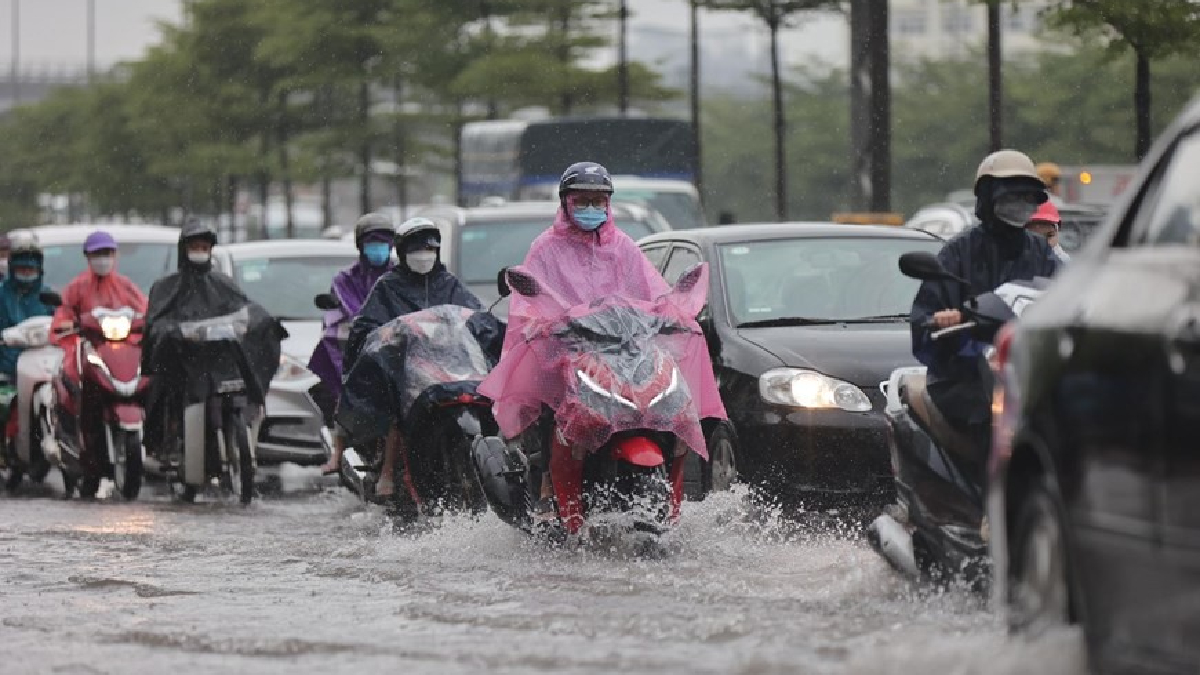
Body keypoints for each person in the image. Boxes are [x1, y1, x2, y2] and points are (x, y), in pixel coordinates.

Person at [478, 161, 726, 518]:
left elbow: (652, 293)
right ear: (566, 202)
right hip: (569, 350)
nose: (592, 208)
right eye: (583, 200)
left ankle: (673, 493)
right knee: (557, 402)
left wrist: (672, 315)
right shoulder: (545, 248)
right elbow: (530, 302)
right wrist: (545, 324)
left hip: (624, 349)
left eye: (599, 200)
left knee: (668, 403)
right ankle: (549, 479)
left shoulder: (623, 246)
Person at [910, 149, 1060, 456]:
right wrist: (944, 320)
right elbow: (924, 321)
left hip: (1027, 370)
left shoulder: (1041, 252)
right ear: (987, 196)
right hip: (966, 375)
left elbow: (1064, 297)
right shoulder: (956, 253)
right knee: (984, 420)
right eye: (1010, 194)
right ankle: (985, 496)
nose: (1019, 203)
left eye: (1026, 196)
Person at [341, 216, 482, 499]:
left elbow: (475, 315)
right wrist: (386, 337)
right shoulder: (388, 286)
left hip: (451, 365)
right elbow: (367, 327)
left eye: (430, 247)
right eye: (417, 247)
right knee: (397, 411)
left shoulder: (449, 283)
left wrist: (483, 325)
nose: (424, 254)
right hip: (407, 367)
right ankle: (387, 474)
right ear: (403, 251)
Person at [142, 219, 284, 461]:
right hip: (184, 366)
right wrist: (176, 333)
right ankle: (172, 443)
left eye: (204, 247)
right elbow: (156, 325)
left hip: (221, 364)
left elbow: (245, 309)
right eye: (194, 247)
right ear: (184, 250)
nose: (199, 252)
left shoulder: (223, 284)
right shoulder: (167, 287)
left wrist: (259, 322)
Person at [311, 213, 396, 475]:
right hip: (361, 344)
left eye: (384, 242)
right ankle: (338, 452)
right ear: (360, 245)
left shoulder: (401, 273)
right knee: (344, 389)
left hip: (398, 343)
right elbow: (355, 311)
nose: (378, 248)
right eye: (373, 242)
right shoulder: (346, 278)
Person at [51, 231, 148, 407]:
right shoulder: (76, 287)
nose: (102, 259)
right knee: (71, 378)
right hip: (90, 349)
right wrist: (69, 325)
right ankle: (75, 421)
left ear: (114, 255)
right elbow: (63, 316)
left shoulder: (125, 286)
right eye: (97, 254)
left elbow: (144, 309)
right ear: (88, 257)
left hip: (123, 350)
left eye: (106, 254)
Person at [0, 234, 54, 442]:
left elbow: (61, 322)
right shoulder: (2, 295)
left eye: (31, 267)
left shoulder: (48, 295)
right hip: (7, 370)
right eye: (22, 266)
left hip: (42, 367)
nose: (26, 270)